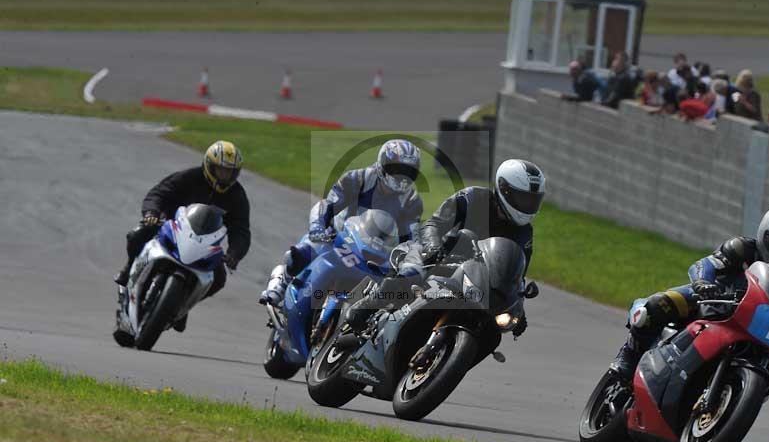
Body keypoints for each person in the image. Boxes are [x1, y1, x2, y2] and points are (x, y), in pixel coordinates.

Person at [345, 159, 546, 337]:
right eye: (524, 198)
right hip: (439, 254)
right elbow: (434, 223)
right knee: (411, 272)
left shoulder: (524, 233)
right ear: (505, 190)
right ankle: (369, 305)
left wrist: (518, 308)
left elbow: (515, 275)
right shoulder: (473, 197)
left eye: (533, 200)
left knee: (491, 328)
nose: (528, 205)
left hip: (472, 277)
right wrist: (434, 246)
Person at [610, 208, 769, 381]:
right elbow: (705, 264)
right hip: (714, 299)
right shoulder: (742, 248)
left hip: (755, 323)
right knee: (658, 305)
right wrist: (703, 283)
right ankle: (628, 356)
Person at [260, 139, 423, 306]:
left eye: (407, 173)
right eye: (396, 170)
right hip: (338, 239)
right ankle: (282, 283)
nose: (401, 178)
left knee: (394, 294)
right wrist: (318, 227)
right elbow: (327, 204)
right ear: (382, 165)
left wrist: (411, 262)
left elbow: (411, 237)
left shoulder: (412, 201)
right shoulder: (357, 179)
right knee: (304, 251)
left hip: (378, 254)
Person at [114, 140, 250, 331]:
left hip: (205, 244)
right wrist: (152, 213)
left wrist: (235, 253)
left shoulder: (237, 195)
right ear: (209, 166)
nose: (225, 176)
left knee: (219, 278)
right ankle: (129, 268)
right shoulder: (189, 177)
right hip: (170, 229)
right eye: (221, 170)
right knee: (138, 234)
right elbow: (158, 194)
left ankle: (183, 304)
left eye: (230, 172)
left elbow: (241, 229)